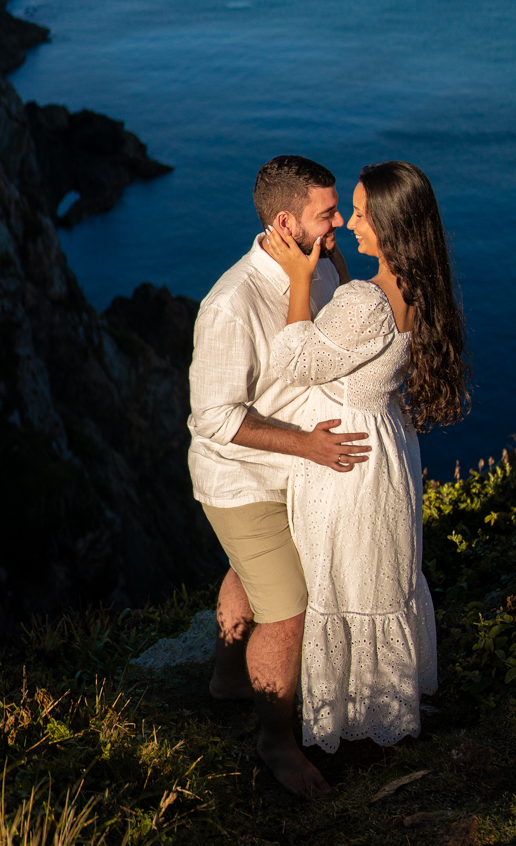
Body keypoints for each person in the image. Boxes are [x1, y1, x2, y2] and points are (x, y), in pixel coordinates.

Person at [262, 160, 468, 753]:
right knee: (379, 578)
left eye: (359, 212)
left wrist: (300, 279)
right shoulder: (419, 286)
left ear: (391, 224)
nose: (347, 222)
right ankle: (384, 707)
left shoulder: (362, 302)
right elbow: (366, 345)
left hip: (346, 459)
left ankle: (347, 723)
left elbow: (295, 361)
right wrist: (341, 275)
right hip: (389, 449)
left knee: (345, 580)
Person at [187, 155, 374, 797]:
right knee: (288, 608)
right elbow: (215, 418)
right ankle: (276, 742)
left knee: (251, 571)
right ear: (286, 221)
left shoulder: (313, 267)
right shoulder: (231, 303)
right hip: (244, 478)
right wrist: (307, 446)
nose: (339, 226)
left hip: (291, 467)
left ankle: (226, 681)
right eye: (327, 216)